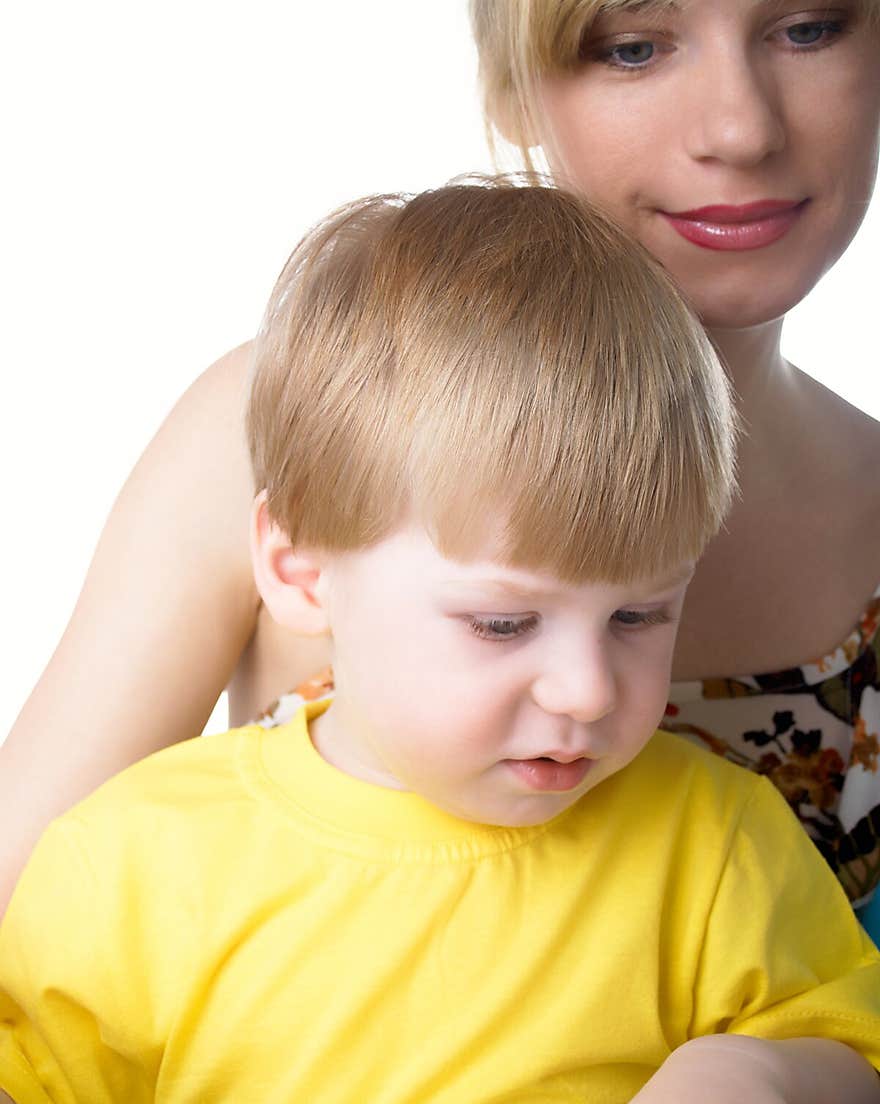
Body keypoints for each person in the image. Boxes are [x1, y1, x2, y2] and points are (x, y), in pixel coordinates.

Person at [1, 182, 879, 1104]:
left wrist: (754, 1075)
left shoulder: (719, 846)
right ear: (301, 573)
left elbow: (856, 1052)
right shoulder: (127, 863)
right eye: (503, 622)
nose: (587, 689)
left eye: (639, 614)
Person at [1, 2, 878, 933]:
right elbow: (25, 934)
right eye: (632, 48)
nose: (741, 129)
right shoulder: (292, 423)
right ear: (509, 89)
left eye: (809, 29)